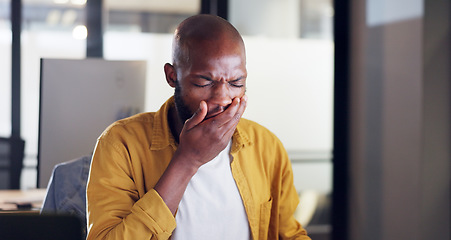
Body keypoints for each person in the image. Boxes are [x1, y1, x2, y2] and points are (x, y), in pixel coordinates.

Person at [86, 14, 311, 240]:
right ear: (172, 76)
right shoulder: (121, 144)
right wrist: (188, 160)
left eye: (236, 83)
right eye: (204, 82)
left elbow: (289, 234)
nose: (223, 99)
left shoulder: (266, 146)